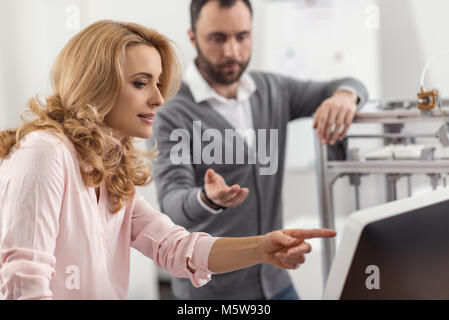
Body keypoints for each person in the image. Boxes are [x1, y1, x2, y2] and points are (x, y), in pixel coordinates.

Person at [0, 20, 336, 300]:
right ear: (95, 85)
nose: (158, 98)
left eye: (158, 83)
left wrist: (261, 248)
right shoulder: (44, 152)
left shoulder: (111, 170)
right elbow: (23, 280)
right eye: (141, 83)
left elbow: (175, 247)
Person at [149, 0, 368, 300]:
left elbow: (347, 83)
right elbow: (172, 203)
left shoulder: (272, 90)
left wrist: (345, 96)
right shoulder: (172, 111)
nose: (232, 51)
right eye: (218, 38)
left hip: (276, 282)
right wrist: (206, 199)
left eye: (242, 36)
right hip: (213, 292)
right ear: (192, 37)